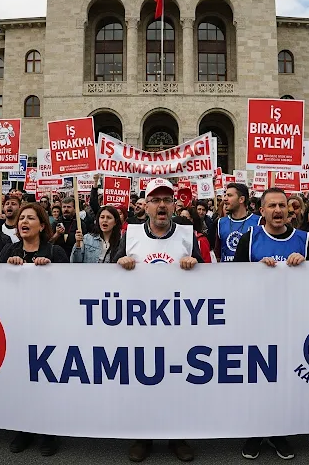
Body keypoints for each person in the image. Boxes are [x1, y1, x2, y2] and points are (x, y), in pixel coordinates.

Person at [112, 178, 202, 463]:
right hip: (140, 325)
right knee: (144, 381)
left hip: (179, 323)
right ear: (146, 206)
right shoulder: (131, 235)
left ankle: (177, 437)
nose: (161, 205)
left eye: (166, 200)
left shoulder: (187, 234)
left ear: (174, 205)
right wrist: (121, 262)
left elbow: (207, 280)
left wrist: (195, 264)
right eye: (155, 200)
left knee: (177, 382)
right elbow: (110, 275)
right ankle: (143, 437)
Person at [234, 188, 309, 460]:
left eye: (282, 205)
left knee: (285, 380)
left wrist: (306, 265)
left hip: (292, 322)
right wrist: (256, 271)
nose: (278, 210)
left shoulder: (304, 240)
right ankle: (256, 432)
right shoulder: (250, 238)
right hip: (257, 322)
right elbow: (233, 279)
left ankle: (279, 432)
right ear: (262, 211)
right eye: (272, 206)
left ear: (289, 210)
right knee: (258, 379)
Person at [0, 203, 68, 456]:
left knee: (46, 380)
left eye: (30, 218)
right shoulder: (10, 250)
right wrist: (8, 268)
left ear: (41, 225)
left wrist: (50, 271)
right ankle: (24, 428)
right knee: (21, 379)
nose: (24, 222)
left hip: (47, 326)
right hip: (16, 325)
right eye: (21, 218)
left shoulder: (55, 251)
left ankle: (49, 431)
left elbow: (70, 287)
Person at [215, 183, 260, 262]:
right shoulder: (220, 222)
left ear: (241, 199)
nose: (225, 199)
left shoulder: (258, 222)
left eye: (229, 195)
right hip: (226, 269)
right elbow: (217, 255)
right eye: (225, 195)